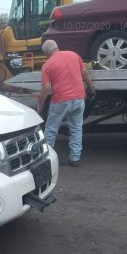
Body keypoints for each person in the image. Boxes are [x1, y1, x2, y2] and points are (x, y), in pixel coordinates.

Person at [37, 39, 95, 167]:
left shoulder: (47, 65)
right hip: (79, 98)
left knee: (51, 130)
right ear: (57, 47)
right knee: (76, 129)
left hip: (60, 101)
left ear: (46, 53)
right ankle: (75, 159)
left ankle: (48, 160)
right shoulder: (74, 55)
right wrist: (90, 89)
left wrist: (40, 106)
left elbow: (46, 88)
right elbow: (84, 73)